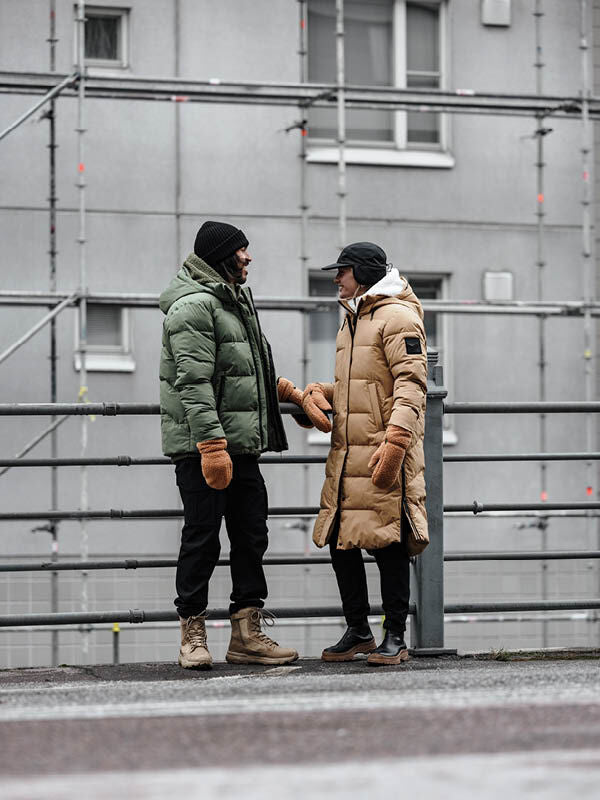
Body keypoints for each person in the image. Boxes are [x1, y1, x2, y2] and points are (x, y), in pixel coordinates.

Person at [159, 220, 317, 669]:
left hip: (242, 445)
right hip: (202, 449)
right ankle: (192, 632)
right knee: (202, 537)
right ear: (221, 256)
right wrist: (211, 445)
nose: (248, 258)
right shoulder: (193, 307)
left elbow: (245, 369)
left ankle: (246, 634)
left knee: (251, 535)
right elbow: (194, 383)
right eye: (241, 251)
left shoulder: (235, 299)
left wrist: (290, 393)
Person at [302, 242, 429, 666]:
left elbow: (412, 385)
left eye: (343, 271)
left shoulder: (397, 317)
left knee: (387, 542)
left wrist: (395, 442)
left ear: (363, 273)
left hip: (379, 451)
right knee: (342, 540)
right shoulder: (353, 319)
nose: (336, 278)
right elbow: (363, 387)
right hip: (348, 453)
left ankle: (395, 636)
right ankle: (358, 630)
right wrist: (322, 393)